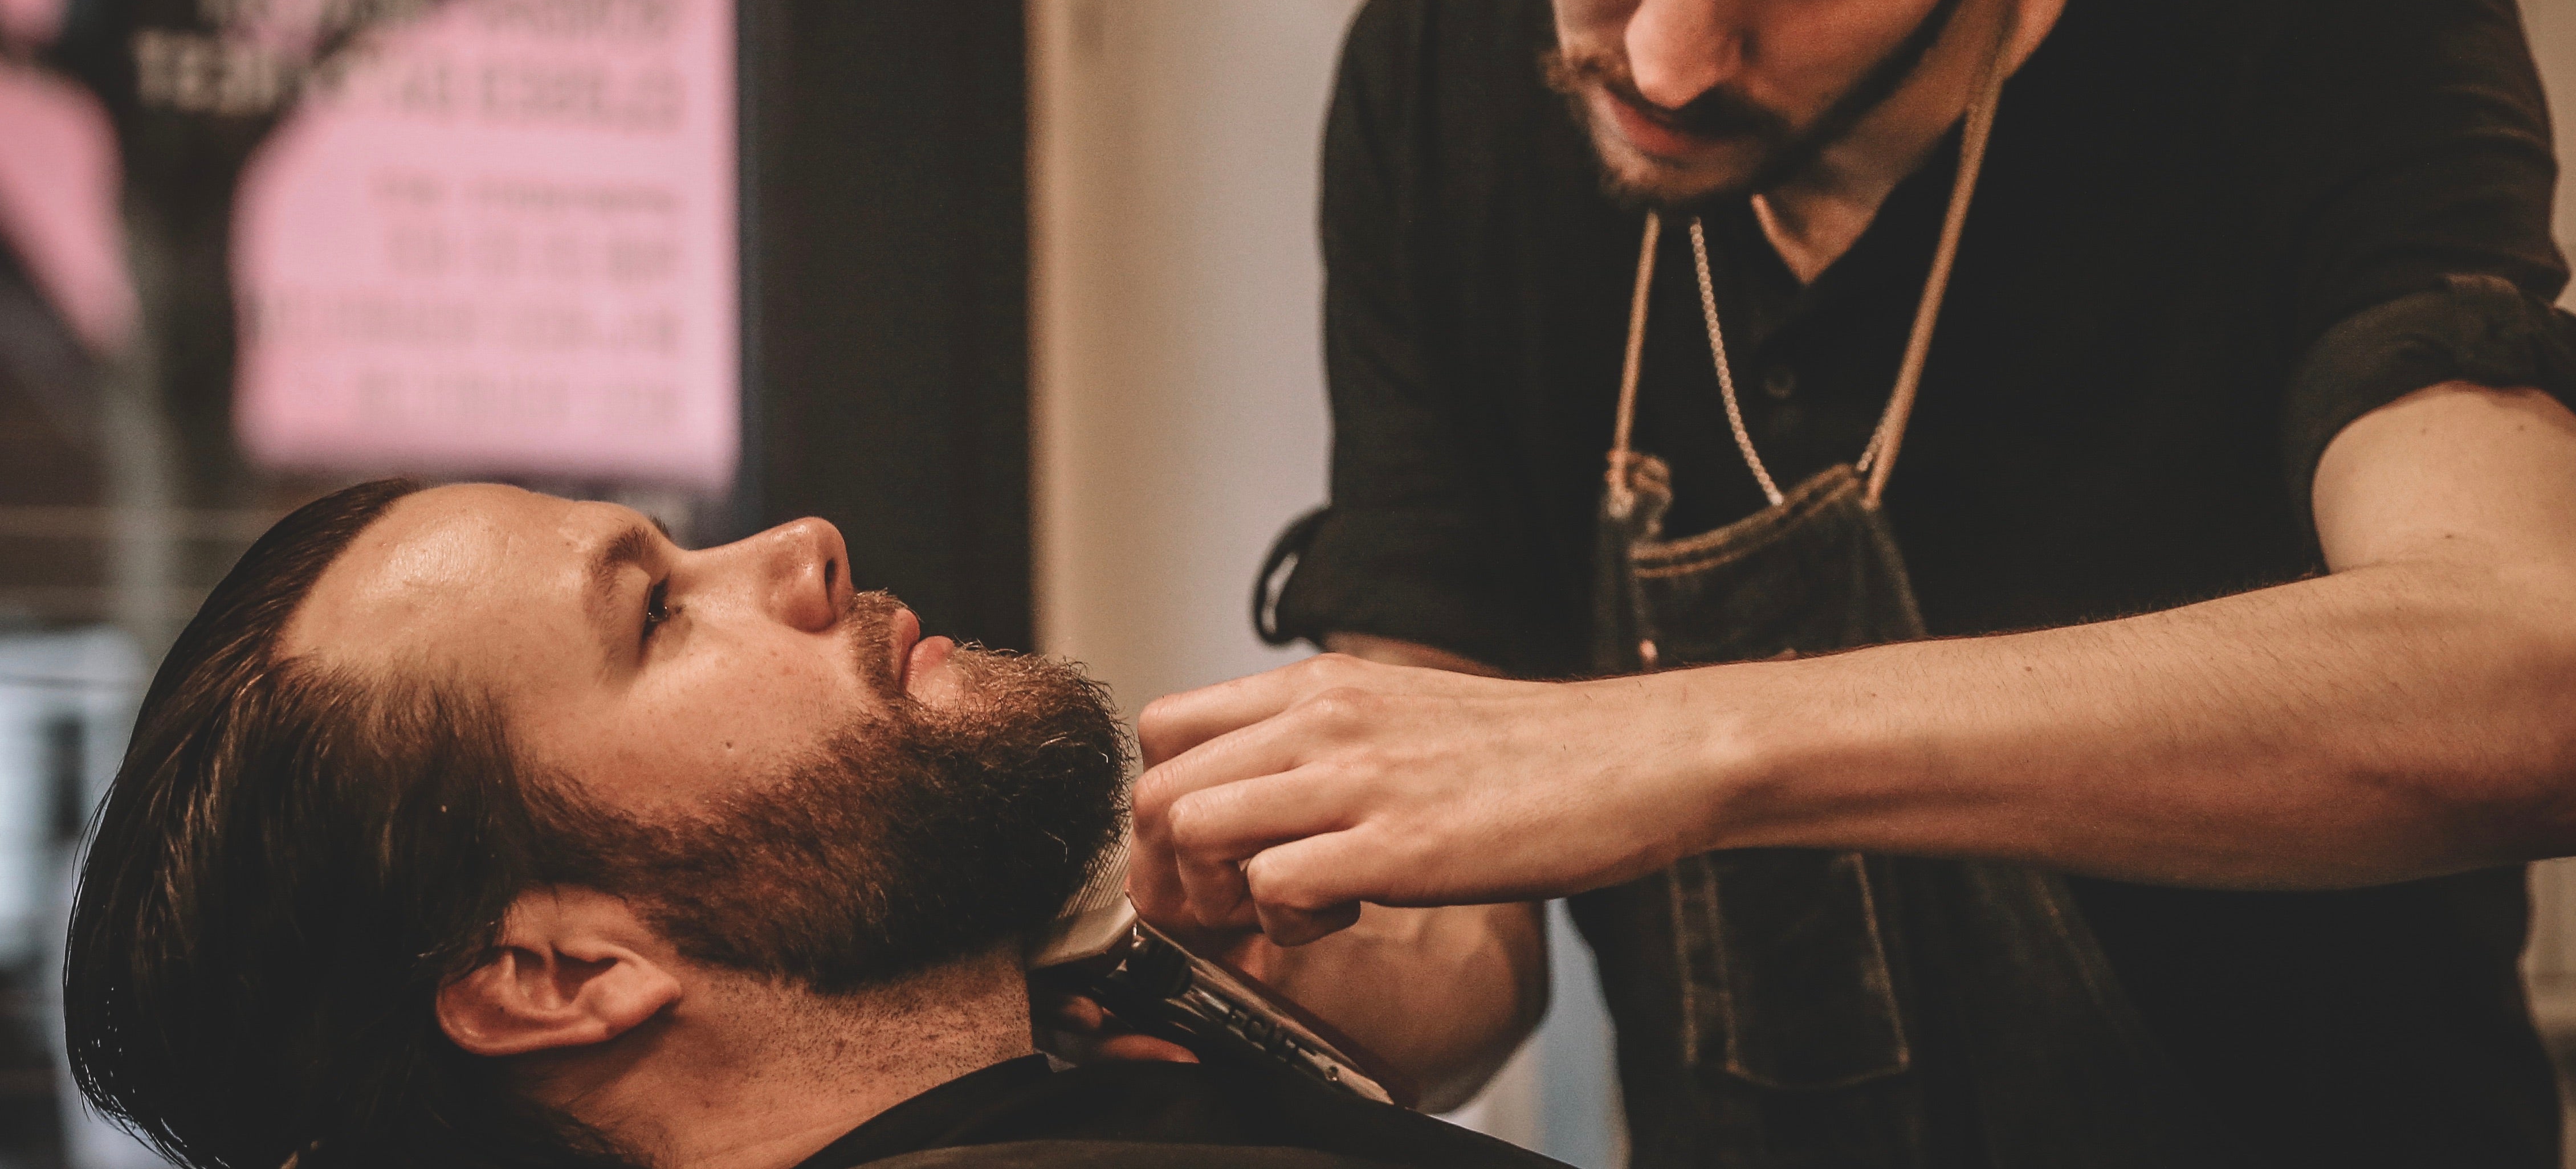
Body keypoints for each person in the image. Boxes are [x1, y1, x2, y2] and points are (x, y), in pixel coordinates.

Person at [1126, 0, 2576, 1166]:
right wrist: (1310, 969)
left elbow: (2527, 681)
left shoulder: (2326, 32)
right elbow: (1463, 956)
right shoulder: (1434, 86)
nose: (1664, 55)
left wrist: (1683, 749)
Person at [63, 479, 1556, 1169]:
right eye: (656, 613)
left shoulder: (1107, 1055)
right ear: (560, 973)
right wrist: (1722, 757)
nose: (800, 548)